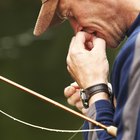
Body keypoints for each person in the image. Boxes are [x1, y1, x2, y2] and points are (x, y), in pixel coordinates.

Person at [34, 0, 140, 139]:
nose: (77, 29)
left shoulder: (136, 50)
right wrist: (106, 104)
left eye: (70, 14)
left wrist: (95, 91)